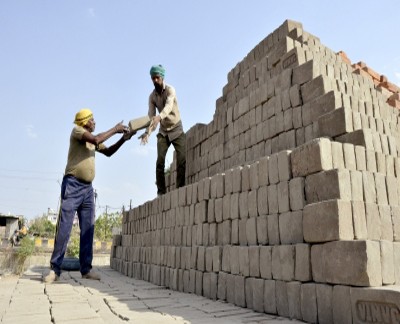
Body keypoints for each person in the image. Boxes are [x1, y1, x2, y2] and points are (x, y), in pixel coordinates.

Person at [44, 108, 135, 283]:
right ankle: (54, 270)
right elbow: (96, 138)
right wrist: (115, 129)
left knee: (88, 229)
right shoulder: (78, 131)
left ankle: (86, 269)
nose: (94, 122)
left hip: (87, 190)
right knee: (64, 228)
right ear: (84, 122)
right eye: (91, 119)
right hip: (72, 185)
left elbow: (108, 152)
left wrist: (123, 139)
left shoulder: (93, 140)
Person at [139, 65, 186, 196]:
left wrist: (159, 117)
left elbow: (169, 106)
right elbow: (151, 117)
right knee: (160, 161)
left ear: (162, 77)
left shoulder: (170, 90)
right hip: (164, 131)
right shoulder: (152, 97)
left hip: (176, 127)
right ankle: (161, 193)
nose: (155, 80)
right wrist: (147, 133)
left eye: (157, 78)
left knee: (181, 159)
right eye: (152, 78)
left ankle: (180, 189)